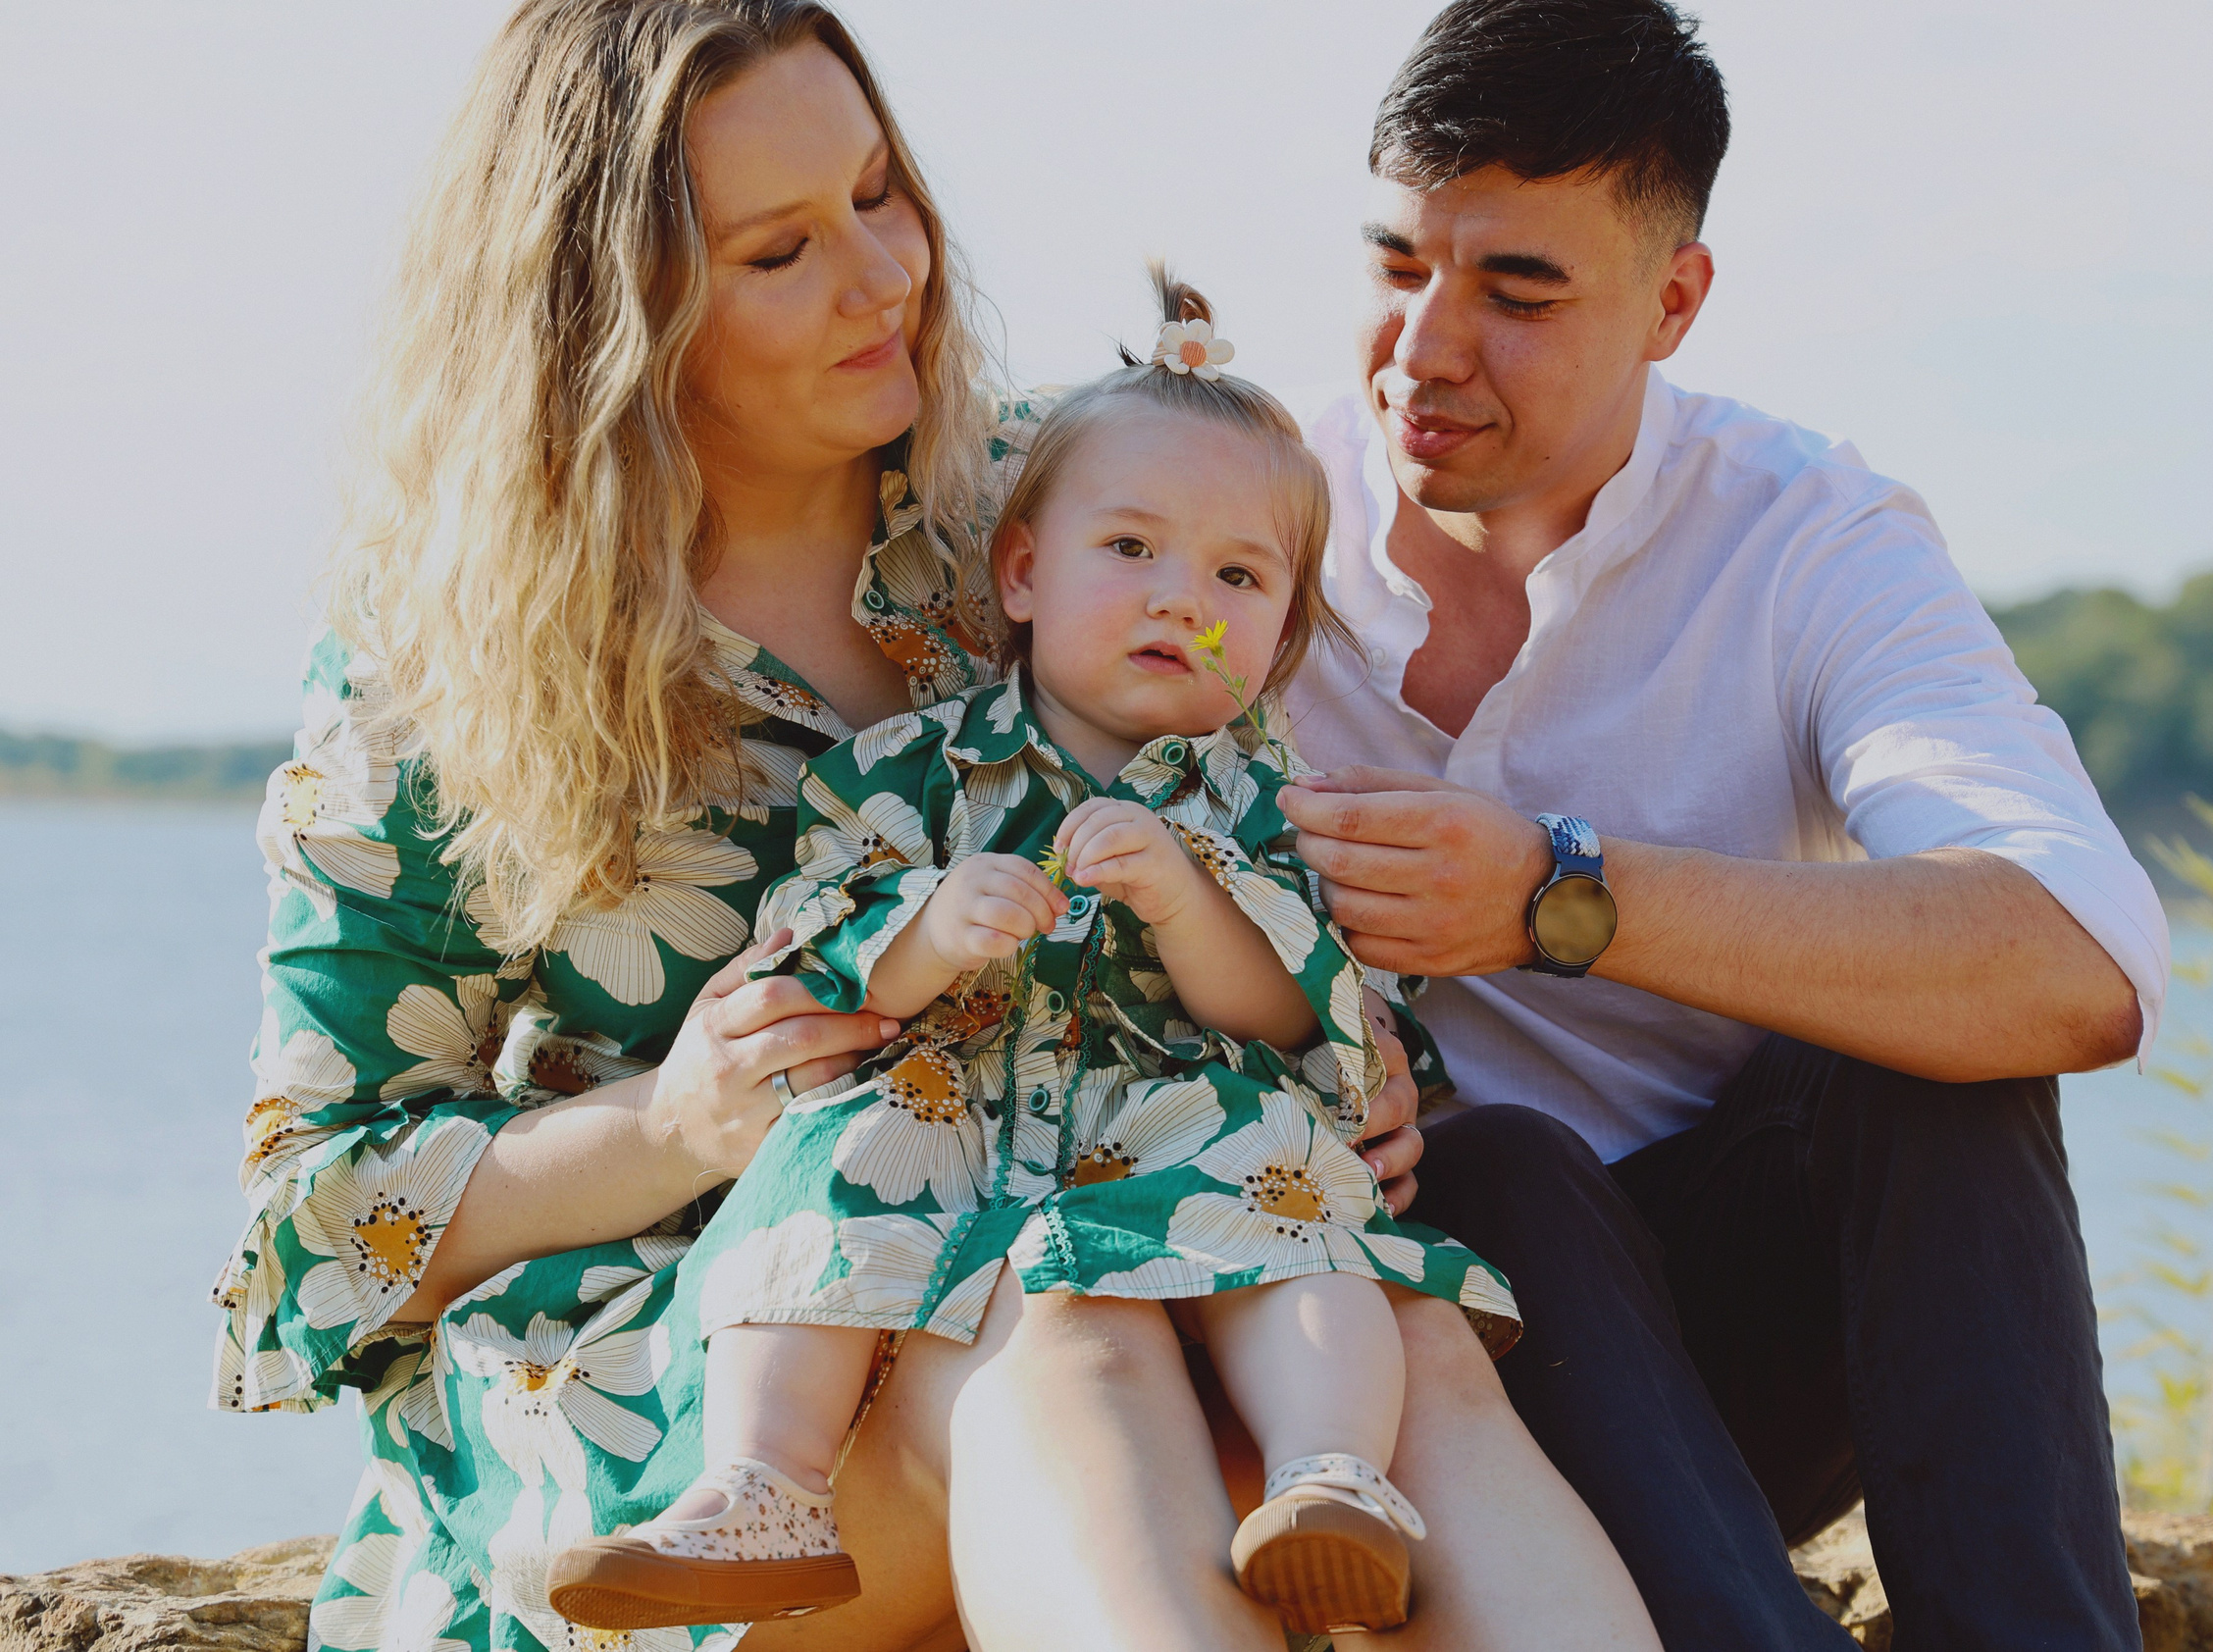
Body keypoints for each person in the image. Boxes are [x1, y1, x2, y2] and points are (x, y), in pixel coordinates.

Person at [215, 4, 1655, 1649]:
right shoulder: (439, 676)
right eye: (780, 250)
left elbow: (1247, 822)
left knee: (1407, 1349)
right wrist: (673, 1124)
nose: (883, 274)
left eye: (882, 191)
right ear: (612, 311)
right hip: (718, 1385)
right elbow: (305, 1226)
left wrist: (1363, 1063)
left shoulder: (1068, 500)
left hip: (1104, 1217)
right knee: (1057, 1327)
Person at [1274, 2, 2171, 1648]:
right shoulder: (1229, 520)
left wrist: (1561, 893)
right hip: (1394, 1367)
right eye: (1400, 263)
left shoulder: (1809, 535)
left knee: (1928, 1062)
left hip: (1738, 1337)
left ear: (1674, 301)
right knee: (1498, 1161)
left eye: (1516, 291)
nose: (1425, 350)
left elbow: (2083, 958)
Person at [544, 275, 1521, 1640]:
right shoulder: (908, 772)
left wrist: (1193, 908)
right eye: (1131, 548)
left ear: (1283, 634)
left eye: (1239, 577)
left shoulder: (1261, 804)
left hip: (1171, 1114)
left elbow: (1296, 1011)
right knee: (818, 1173)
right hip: (946, 1100)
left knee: (1304, 1217)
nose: (1183, 598)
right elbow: (813, 963)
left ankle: (1330, 1473)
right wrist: (927, 935)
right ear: (1022, 572)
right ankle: (761, 1483)